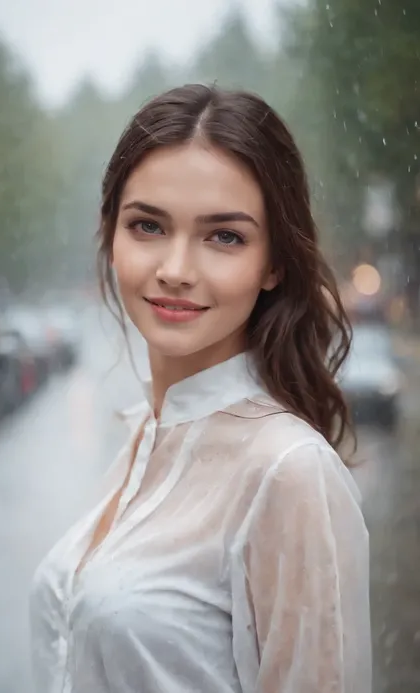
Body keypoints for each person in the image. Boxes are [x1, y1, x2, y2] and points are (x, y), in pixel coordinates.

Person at [30, 84, 371, 692]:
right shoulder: (144, 434)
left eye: (224, 236)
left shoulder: (288, 471)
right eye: (148, 226)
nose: (176, 270)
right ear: (112, 235)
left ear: (274, 264)